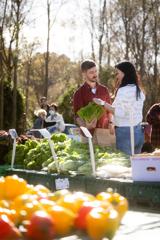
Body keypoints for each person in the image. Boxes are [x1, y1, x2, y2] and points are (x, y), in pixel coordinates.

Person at [93, 61, 145, 155]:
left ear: (125, 73)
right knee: (136, 165)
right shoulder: (139, 91)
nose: (117, 76)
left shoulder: (123, 90)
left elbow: (120, 113)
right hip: (138, 132)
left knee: (126, 165)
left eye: (118, 73)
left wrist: (102, 103)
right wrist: (112, 122)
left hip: (125, 133)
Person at [73, 59, 114, 139]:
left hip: (104, 132)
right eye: (91, 72)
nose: (95, 74)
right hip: (87, 135)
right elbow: (77, 116)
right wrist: (86, 126)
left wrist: (111, 123)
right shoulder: (79, 93)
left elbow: (109, 111)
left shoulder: (104, 90)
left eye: (96, 71)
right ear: (84, 74)